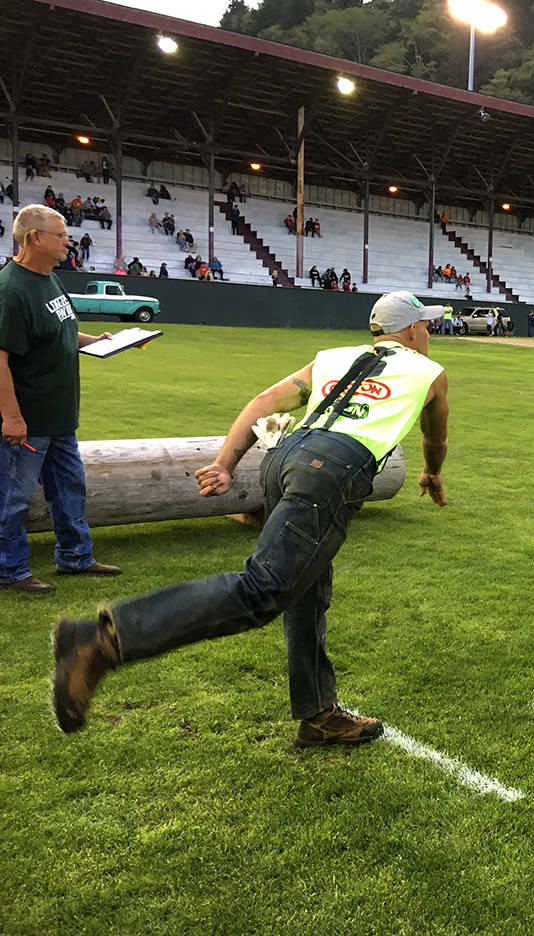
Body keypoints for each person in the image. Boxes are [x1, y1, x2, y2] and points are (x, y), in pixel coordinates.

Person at [50, 291, 451, 745]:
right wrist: (432, 473)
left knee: (306, 588)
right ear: (413, 328)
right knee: (263, 589)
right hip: (332, 471)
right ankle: (102, 641)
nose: (430, 333)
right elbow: (434, 439)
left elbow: (265, 400)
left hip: (284, 459)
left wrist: (225, 462)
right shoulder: (430, 373)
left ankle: (318, 714)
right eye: (428, 325)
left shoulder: (333, 357)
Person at [0, 205, 122, 594]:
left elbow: (62, 331)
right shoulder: (12, 290)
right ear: (35, 238)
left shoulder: (49, 279)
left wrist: (97, 341)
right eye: (61, 234)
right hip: (29, 421)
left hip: (60, 417)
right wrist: (11, 418)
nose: (68, 241)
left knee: (70, 490)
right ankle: (9, 568)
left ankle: (75, 556)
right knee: (12, 500)